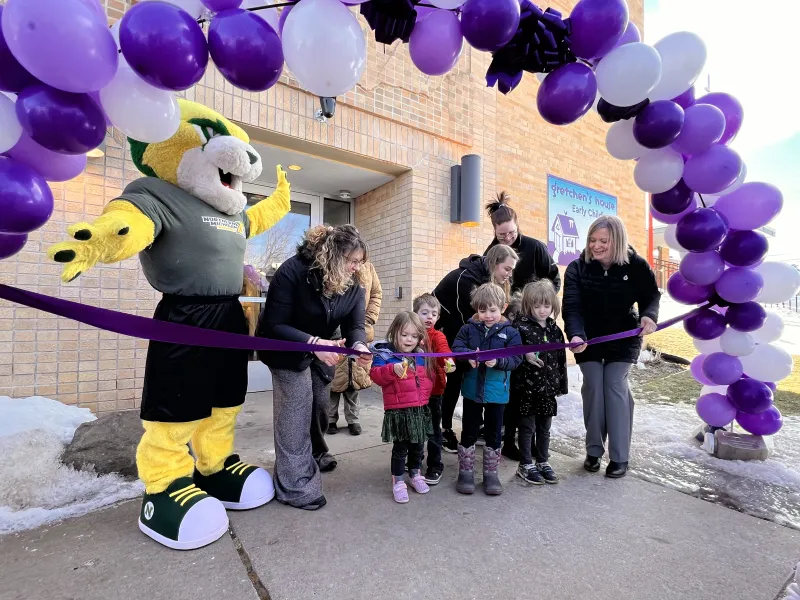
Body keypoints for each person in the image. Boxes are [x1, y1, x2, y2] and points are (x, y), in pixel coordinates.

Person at [257, 225, 372, 510]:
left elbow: (355, 325)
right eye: (351, 260)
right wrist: (313, 343)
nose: (356, 268)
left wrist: (358, 347)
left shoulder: (355, 284)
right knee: (295, 409)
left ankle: (317, 453)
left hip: (324, 349)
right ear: (332, 255)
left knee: (320, 403)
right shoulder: (293, 271)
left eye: (360, 262)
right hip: (286, 347)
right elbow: (274, 324)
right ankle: (294, 485)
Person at [562, 215, 660, 479]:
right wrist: (576, 334)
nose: (596, 245)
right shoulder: (577, 268)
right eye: (592, 240)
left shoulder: (637, 266)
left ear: (616, 240)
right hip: (589, 339)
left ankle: (619, 456)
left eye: (603, 240)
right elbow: (572, 306)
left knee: (614, 386)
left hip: (624, 337)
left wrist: (649, 315)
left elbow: (651, 295)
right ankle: (593, 450)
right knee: (593, 386)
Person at [484, 192, 561, 461]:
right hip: (504, 323)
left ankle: (517, 437)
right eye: (501, 235)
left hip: (531, 323)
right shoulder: (492, 252)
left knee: (524, 383)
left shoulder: (535, 247)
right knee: (507, 381)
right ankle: (504, 435)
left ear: (518, 225)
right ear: (494, 231)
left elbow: (554, 279)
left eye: (511, 233)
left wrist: (543, 306)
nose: (507, 238)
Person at [431, 244, 519, 454]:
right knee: (452, 381)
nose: (509, 274)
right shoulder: (467, 279)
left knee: (468, 379)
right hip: (446, 332)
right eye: (507, 268)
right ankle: (444, 429)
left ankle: (473, 426)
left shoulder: (488, 282)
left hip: (461, 332)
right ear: (494, 263)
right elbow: (470, 322)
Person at [452, 283, 523, 496]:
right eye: (482, 310)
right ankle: (465, 472)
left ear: (503, 307)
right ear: (476, 309)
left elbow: (516, 357)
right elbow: (457, 349)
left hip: (497, 393)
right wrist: (467, 358)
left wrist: (499, 361)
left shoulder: (510, 332)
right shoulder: (467, 329)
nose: (488, 315)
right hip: (472, 391)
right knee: (469, 430)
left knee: (493, 433)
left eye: (492, 310)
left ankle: (491, 474)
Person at [370, 312, 435, 504]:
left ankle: (415, 473)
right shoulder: (385, 354)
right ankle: (398, 480)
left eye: (414, 336)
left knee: (418, 446)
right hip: (398, 410)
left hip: (419, 409)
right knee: (400, 448)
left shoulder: (421, 356)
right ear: (394, 332)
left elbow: (427, 380)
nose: (409, 340)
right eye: (405, 334)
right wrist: (392, 369)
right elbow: (376, 376)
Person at [511, 280, 568, 485]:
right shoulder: (520, 328)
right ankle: (525, 464)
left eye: (546, 305)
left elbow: (561, 359)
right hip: (526, 389)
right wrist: (524, 356)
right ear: (528, 305)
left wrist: (561, 385)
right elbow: (513, 355)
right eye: (537, 306)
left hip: (548, 390)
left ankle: (543, 461)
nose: (542, 310)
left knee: (545, 428)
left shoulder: (555, 330)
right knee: (527, 428)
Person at [328, 260, 382, 436]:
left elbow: (376, 293)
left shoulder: (368, 267)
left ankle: (353, 419)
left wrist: (368, 319)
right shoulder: (332, 262)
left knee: (354, 380)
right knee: (333, 381)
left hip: (359, 330)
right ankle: (330, 419)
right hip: (334, 332)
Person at [412, 293, 455, 485]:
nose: (429, 317)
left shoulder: (437, 336)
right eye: (424, 312)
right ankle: (415, 459)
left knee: (433, 430)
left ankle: (435, 465)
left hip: (434, 392)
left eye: (434, 314)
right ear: (415, 314)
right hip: (413, 392)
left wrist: (449, 362)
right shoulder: (409, 335)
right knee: (416, 428)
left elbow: (444, 351)